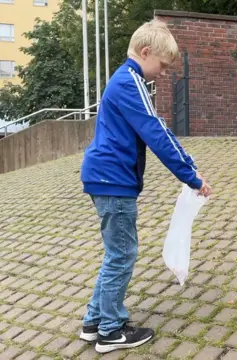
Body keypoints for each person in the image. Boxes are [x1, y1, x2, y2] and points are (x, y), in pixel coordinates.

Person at [78, 19, 212, 353]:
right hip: (113, 180)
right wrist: (192, 178)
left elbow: (159, 128)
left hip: (106, 178)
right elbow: (154, 132)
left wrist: (188, 162)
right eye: (163, 66)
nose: (163, 73)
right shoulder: (130, 81)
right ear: (146, 52)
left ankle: (94, 321)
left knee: (116, 254)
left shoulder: (126, 81)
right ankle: (110, 331)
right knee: (122, 256)